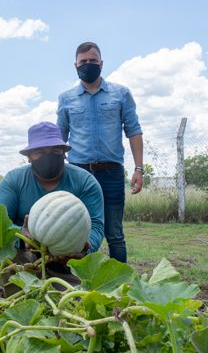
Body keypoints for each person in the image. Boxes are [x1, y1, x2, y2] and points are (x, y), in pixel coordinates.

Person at [57, 41, 143, 263]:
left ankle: (120, 285)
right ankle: (79, 281)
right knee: (76, 231)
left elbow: (134, 131)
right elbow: (59, 139)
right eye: (83, 61)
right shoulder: (66, 99)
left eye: (93, 61)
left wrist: (139, 169)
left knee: (114, 233)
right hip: (78, 175)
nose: (88, 65)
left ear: (101, 63)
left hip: (111, 173)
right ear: (75, 65)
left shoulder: (121, 94)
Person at [0, 122, 104, 290]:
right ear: (29, 156)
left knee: (74, 302)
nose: (49, 156)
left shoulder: (85, 182)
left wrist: (83, 249)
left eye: (55, 151)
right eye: (40, 152)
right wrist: (21, 238)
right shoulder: (13, 181)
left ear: (64, 154)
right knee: (11, 291)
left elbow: (96, 225)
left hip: (68, 262)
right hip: (21, 258)